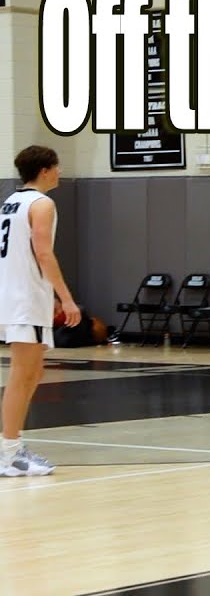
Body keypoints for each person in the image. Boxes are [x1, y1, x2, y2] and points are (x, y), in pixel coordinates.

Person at [0, 146, 80, 477]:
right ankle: (9, 451)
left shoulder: (10, 202)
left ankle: (12, 446)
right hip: (25, 298)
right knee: (22, 375)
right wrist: (67, 298)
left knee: (33, 373)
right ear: (45, 170)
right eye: (57, 166)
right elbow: (44, 254)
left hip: (15, 294)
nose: (60, 171)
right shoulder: (42, 203)